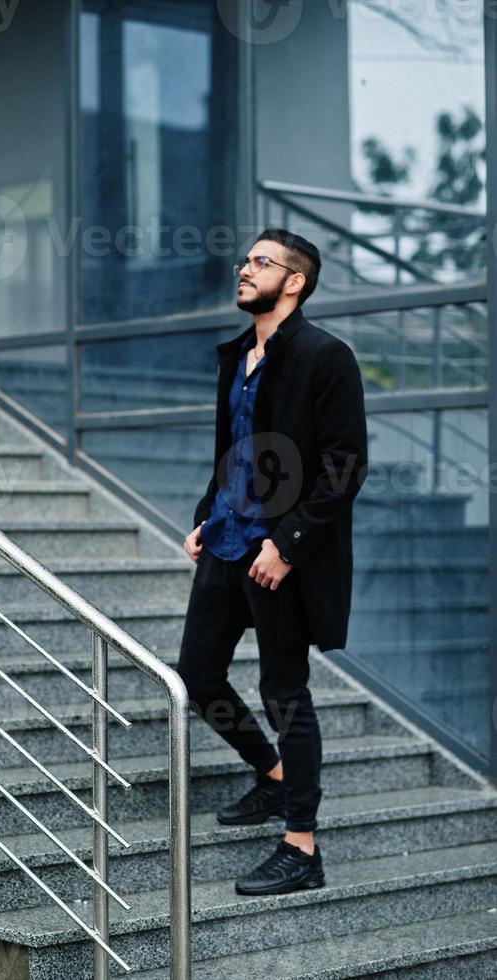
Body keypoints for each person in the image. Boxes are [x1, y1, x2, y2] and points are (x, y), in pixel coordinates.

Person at [176, 228, 368, 896]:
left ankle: (301, 846)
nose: (243, 270)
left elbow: (345, 466)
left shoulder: (325, 356)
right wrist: (204, 514)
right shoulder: (237, 355)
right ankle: (272, 771)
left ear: (296, 281)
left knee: (284, 691)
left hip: (280, 551)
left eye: (260, 262)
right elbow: (232, 446)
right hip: (227, 541)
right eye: (243, 261)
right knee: (198, 677)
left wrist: (287, 545)